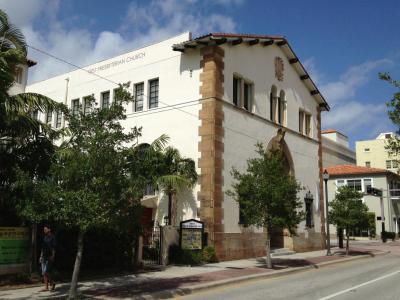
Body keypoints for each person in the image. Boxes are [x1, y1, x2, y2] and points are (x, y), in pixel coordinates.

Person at [39, 225, 56, 292]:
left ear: (49, 229)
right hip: (44, 256)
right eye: (44, 229)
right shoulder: (45, 237)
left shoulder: (53, 237)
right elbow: (43, 248)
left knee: (47, 271)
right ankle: (46, 287)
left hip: (49, 257)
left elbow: (54, 248)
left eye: (45, 229)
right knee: (43, 272)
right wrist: (40, 256)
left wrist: (53, 256)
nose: (44, 230)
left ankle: (52, 283)